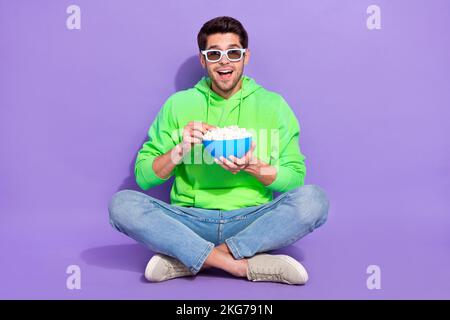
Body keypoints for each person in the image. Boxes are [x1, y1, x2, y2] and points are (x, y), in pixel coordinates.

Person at [108, 16, 329, 285]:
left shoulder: (274, 106)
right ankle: (240, 266)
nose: (224, 61)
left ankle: (189, 260)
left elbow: (295, 178)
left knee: (314, 200)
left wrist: (253, 166)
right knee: (121, 205)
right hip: (189, 220)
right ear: (204, 60)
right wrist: (180, 149)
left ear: (245, 57)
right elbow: (143, 176)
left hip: (250, 219)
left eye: (233, 53)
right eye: (214, 54)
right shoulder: (178, 105)